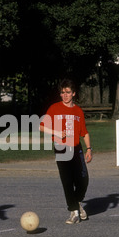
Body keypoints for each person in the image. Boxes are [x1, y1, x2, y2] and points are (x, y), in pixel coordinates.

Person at [39, 79, 92, 224]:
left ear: (73, 93)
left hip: (76, 148)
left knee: (83, 180)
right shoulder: (54, 108)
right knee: (67, 181)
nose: (65, 95)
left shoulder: (78, 111)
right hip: (61, 148)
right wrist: (56, 132)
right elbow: (42, 126)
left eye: (68, 92)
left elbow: (84, 133)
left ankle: (77, 202)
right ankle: (74, 212)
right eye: (63, 93)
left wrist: (89, 149)